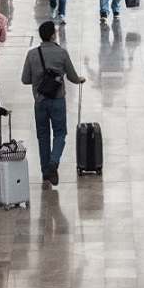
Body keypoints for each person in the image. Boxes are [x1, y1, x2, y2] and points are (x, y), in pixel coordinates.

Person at [21, 21, 85, 187]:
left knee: (42, 136)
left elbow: (25, 79)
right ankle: (54, 162)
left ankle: (45, 172)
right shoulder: (61, 53)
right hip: (57, 100)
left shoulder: (32, 54)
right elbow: (72, 77)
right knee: (60, 133)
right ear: (52, 35)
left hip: (40, 101)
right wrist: (79, 79)